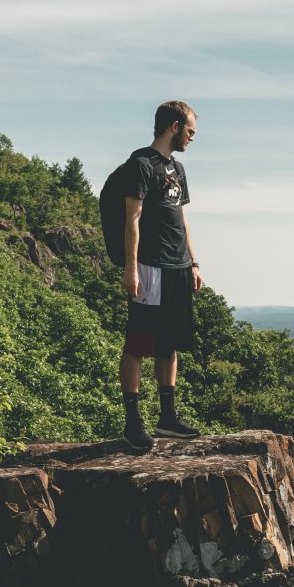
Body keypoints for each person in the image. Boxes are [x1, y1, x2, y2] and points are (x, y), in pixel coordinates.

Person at [115, 101, 203, 450]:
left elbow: (182, 219)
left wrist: (194, 262)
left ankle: (168, 418)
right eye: (190, 131)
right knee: (138, 344)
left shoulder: (177, 169)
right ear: (174, 126)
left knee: (171, 343)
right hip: (150, 267)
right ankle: (133, 422)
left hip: (179, 267)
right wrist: (131, 267)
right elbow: (132, 220)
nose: (192, 138)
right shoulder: (141, 165)